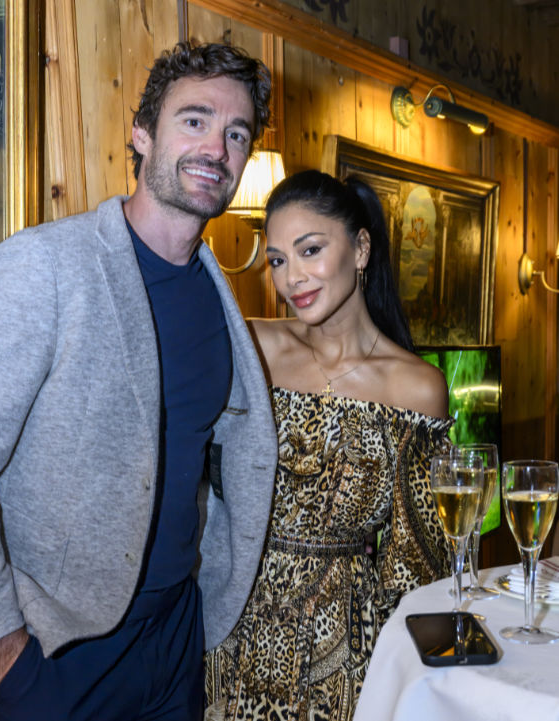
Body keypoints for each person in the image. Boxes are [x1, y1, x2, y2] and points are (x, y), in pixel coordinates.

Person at [0, 42, 278, 721]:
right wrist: (2, 642)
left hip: (173, 641)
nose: (216, 148)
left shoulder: (221, 300)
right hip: (55, 653)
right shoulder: (43, 266)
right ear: (141, 133)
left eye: (236, 133)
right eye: (194, 120)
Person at [204, 170, 452, 721]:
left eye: (310, 250)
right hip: (231, 629)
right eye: (277, 260)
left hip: (345, 655)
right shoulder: (251, 347)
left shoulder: (417, 387)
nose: (293, 277)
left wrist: (425, 682)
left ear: (361, 249)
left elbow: (416, 563)